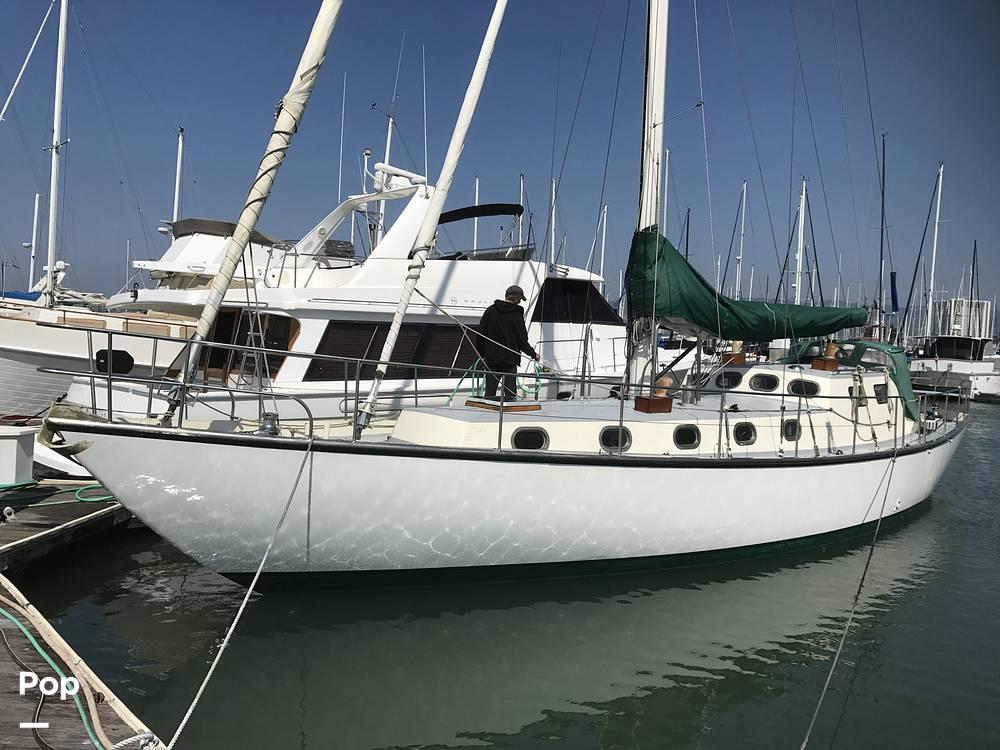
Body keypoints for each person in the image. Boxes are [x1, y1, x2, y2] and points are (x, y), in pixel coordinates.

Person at [477, 285, 540, 401]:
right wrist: (533, 354)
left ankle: (485, 414)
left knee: (489, 393)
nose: (520, 302)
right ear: (515, 298)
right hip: (509, 361)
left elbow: (480, 334)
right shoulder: (516, 315)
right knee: (510, 394)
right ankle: (508, 416)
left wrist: (483, 354)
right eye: (520, 299)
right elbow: (521, 341)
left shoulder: (490, 310)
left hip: (492, 359)